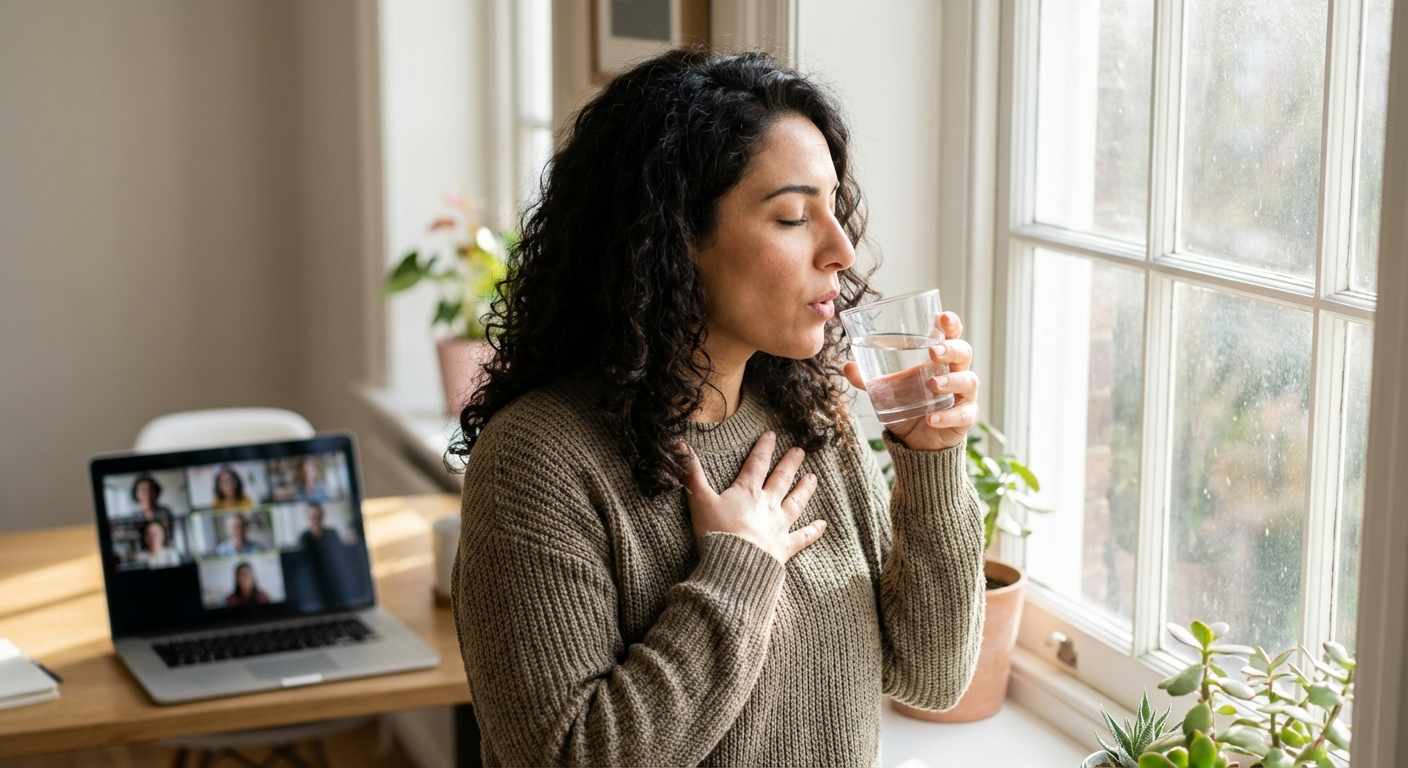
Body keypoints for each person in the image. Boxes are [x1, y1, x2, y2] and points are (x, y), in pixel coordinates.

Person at [449, 50, 986, 767]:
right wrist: (736, 571)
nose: (842, 249)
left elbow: (931, 676)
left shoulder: (806, 417)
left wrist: (930, 461)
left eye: (836, 208)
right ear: (671, 241)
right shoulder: (539, 462)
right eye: (794, 217)